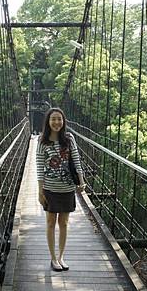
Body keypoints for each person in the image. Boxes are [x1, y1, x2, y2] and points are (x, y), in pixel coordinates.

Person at [36, 107, 85, 271]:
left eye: (59, 119)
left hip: (67, 188)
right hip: (50, 188)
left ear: (63, 121)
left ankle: (61, 257)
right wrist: (40, 190)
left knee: (63, 223)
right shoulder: (42, 142)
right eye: (53, 119)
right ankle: (53, 259)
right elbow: (39, 166)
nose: (56, 122)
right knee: (50, 223)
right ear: (48, 122)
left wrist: (81, 181)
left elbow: (76, 160)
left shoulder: (69, 139)